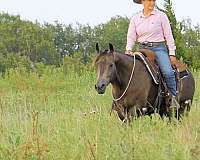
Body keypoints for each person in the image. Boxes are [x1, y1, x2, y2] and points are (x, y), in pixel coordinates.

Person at [125, 0, 179, 106]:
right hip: (141, 49)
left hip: (158, 49)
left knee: (168, 72)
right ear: (142, 1)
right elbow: (131, 36)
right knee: (129, 71)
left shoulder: (161, 16)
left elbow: (168, 35)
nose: (152, 3)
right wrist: (128, 50)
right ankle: (126, 99)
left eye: (153, 0)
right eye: (149, 0)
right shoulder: (135, 18)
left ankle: (173, 97)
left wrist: (172, 53)